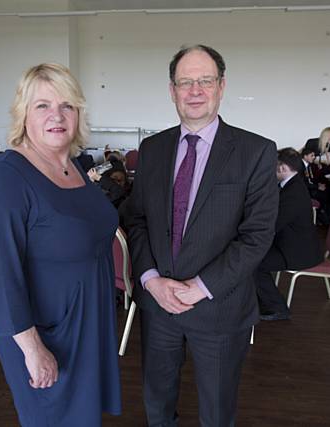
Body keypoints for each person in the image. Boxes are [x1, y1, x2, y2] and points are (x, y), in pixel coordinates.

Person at [125, 45, 278, 426]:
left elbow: (256, 236)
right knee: (157, 403)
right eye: (185, 82)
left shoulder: (256, 151)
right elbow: (137, 219)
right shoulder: (152, 149)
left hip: (220, 307)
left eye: (205, 80)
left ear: (221, 86)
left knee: (217, 410)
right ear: (172, 90)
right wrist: (150, 280)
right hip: (159, 306)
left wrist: (201, 286)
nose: (195, 90)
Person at [0, 63, 121, 426]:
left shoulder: (73, 165)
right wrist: (32, 348)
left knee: (84, 417)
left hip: (87, 322)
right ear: (23, 114)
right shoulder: (7, 177)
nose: (56, 115)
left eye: (67, 105)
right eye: (42, 105)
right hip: (44, 333)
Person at [257, 148, 323, 320]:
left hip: (297, 252)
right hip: (290, 244)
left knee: (253, 262)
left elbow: (273, 224)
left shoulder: (293, 193)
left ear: (282, 168)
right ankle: (261, 299)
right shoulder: (292, 185)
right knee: (251, 258)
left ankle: (278, 308)